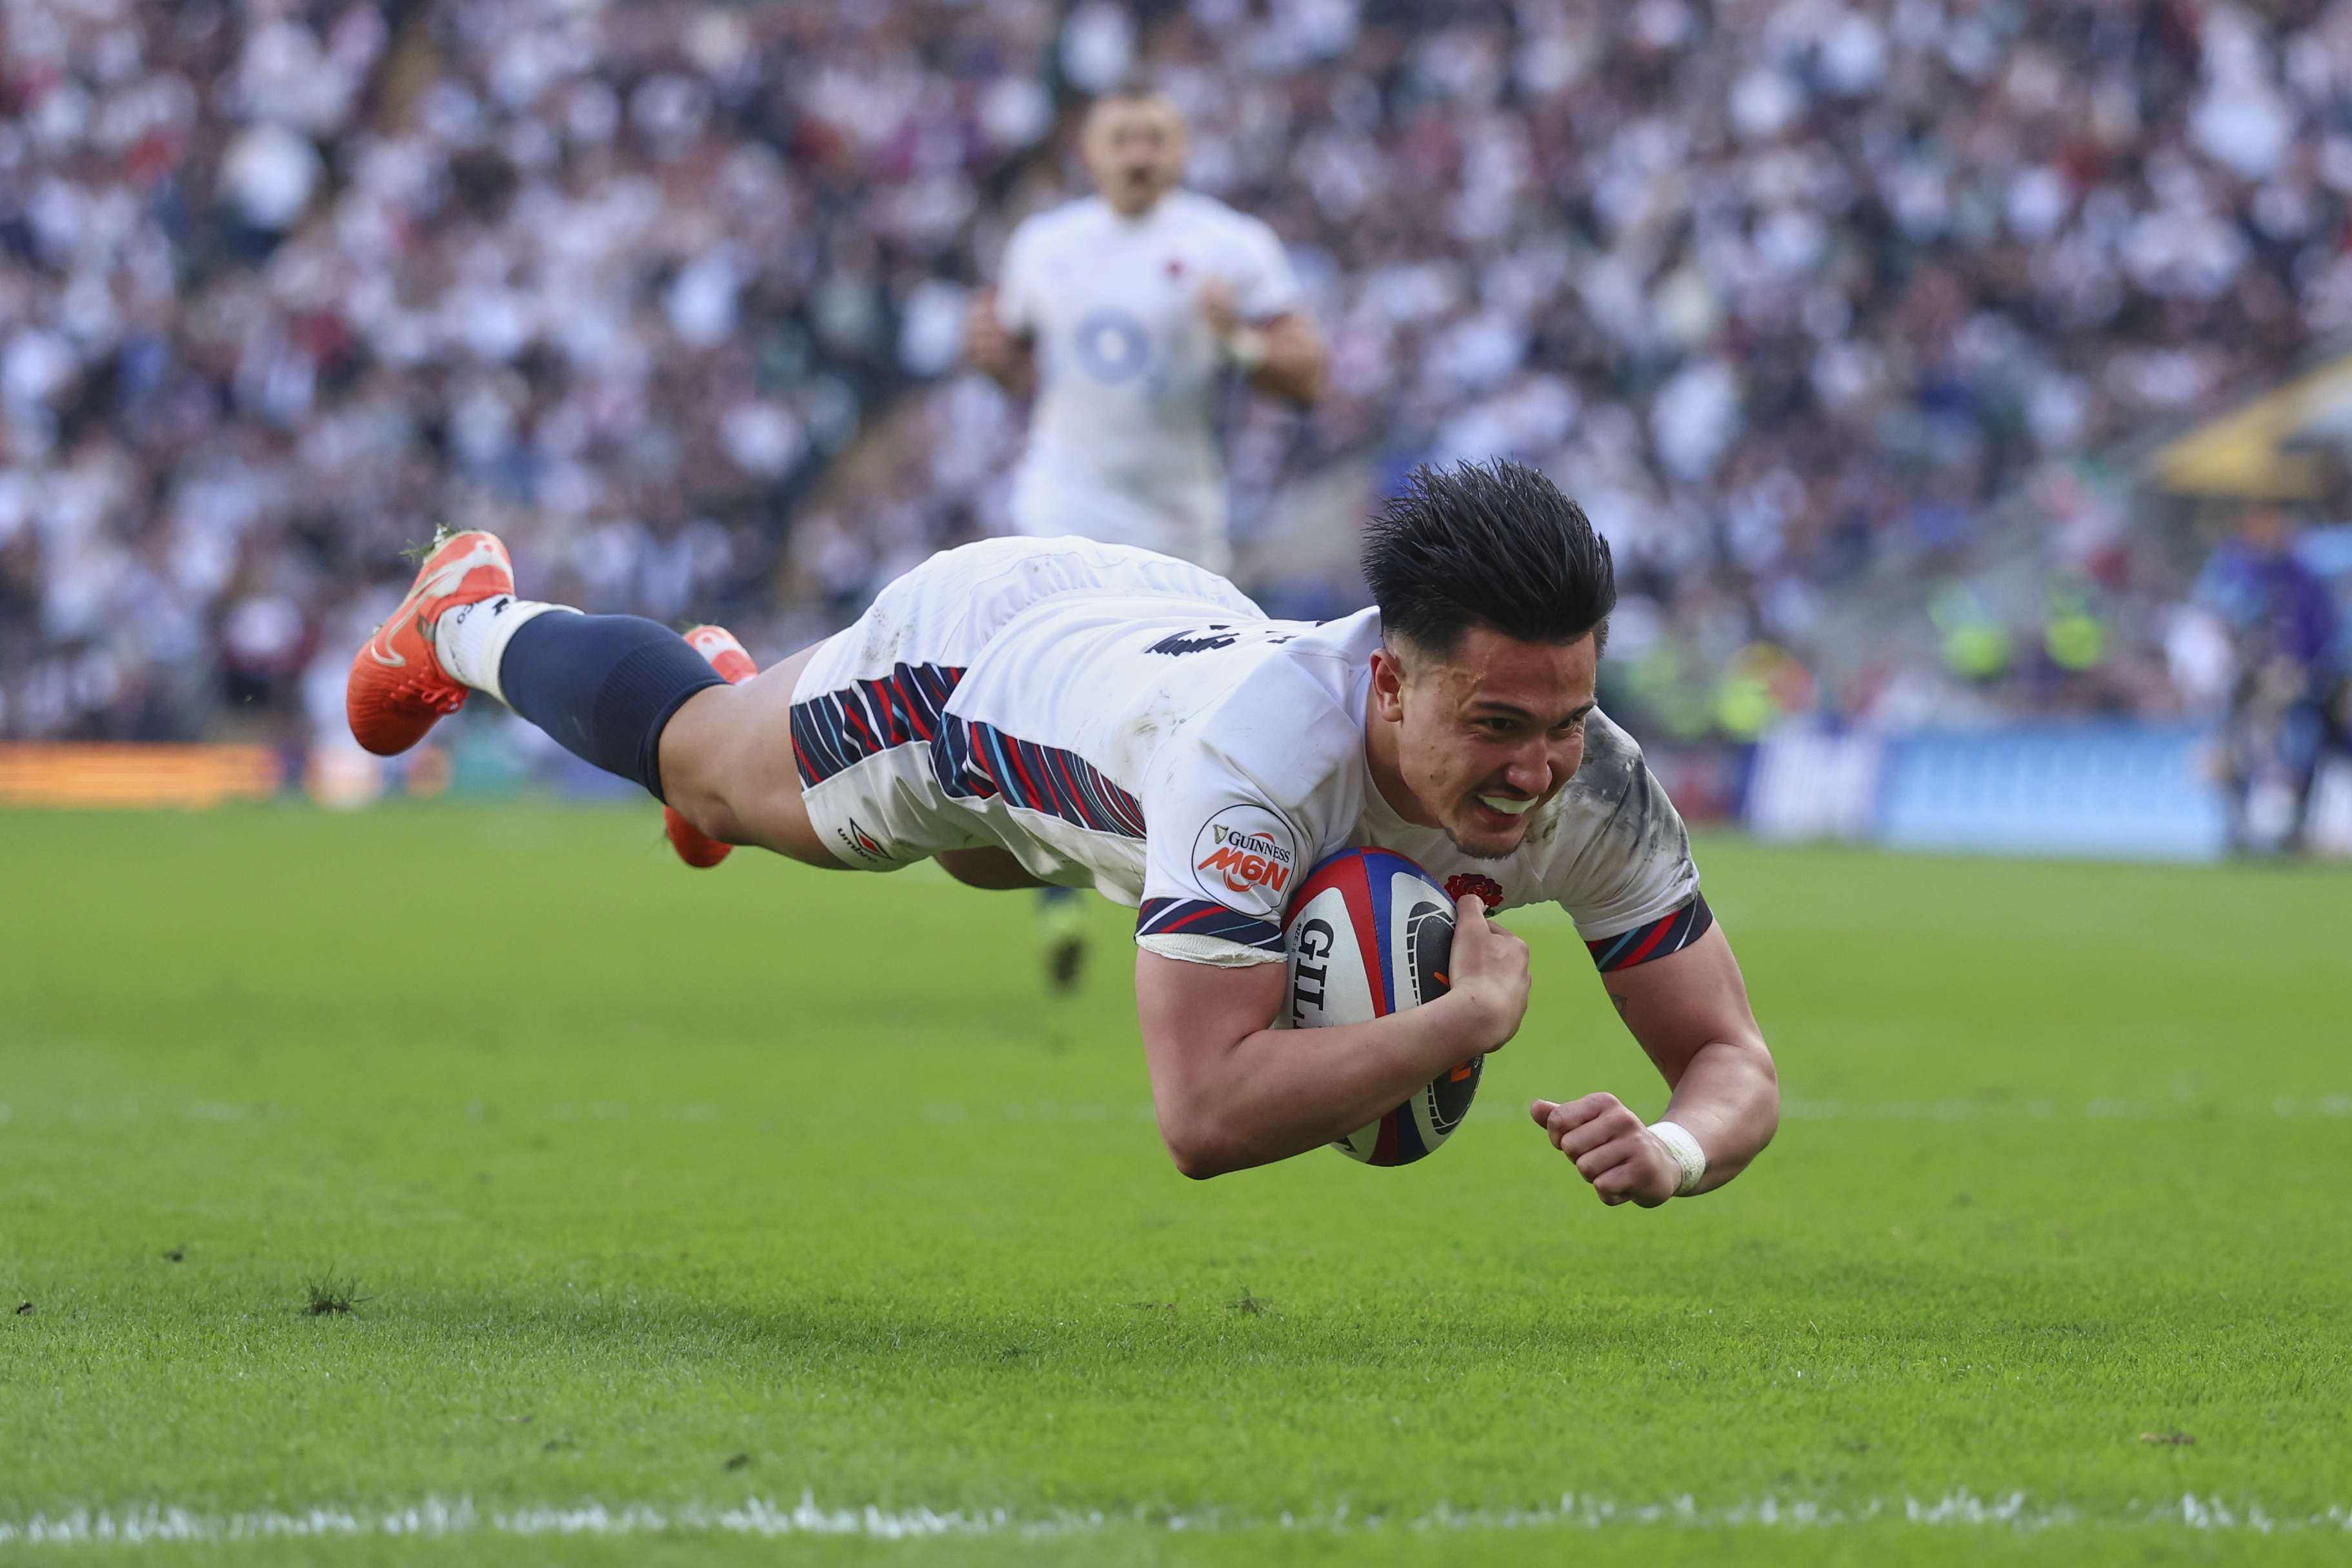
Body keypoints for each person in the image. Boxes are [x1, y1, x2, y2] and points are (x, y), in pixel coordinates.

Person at [348, 461, 1778, 1203]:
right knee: (714, 780)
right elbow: (1204, 1120)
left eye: (1565, 717)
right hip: (984, 671)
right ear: (1388, 682)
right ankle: (464, 616)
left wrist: (1675, 1150)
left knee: (989, 866)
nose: (1538, 772)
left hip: (1146, 656)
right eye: (1496, 729)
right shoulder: (1257, 769)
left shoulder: (1597, 783)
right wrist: (1446, 1031)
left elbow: (1728, 1059)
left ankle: (754, 692)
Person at [965, 84, 1330, 990]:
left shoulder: (1229, 246)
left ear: (1183, 149)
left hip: (1178, 520)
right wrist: (990, 352)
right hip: (1060, 498)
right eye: (1121, 138)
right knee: (1037, 687)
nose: (1138, 154)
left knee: (1183, 711)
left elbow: (1310, 373)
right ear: (1087, 152)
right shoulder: (1045, 247)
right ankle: (1053, 883)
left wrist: (1236, 342)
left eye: (1155, 138)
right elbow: (1008, 355)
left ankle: (1175, 889)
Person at [2195, 503, 2342, 854]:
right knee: (2237, 751)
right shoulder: (2241, 571)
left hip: (2300, 683)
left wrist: (2304, 667)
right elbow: (2227, 619)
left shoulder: (2302, 578)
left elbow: (2321, 632)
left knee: (2304, 750)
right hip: (2252, 682)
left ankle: (2294, 824)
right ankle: (2241, 825)